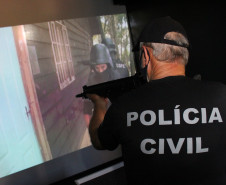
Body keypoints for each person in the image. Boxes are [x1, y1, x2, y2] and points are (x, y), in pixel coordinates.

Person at [87, 16, 226, 185]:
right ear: (184, 54)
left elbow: (99, 141)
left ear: (145, 54)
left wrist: (99, 105)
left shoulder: (124, 106)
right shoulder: (221, 95)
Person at [83, 43, 120, 126]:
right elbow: (86, 110)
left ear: (108, 65)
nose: (100, 71)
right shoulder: (91, 82)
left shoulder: (116, 77)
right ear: (93, 68)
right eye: (97, 68)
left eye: (103, 67)